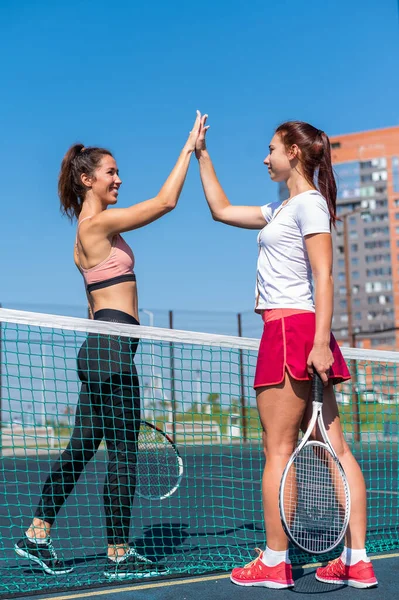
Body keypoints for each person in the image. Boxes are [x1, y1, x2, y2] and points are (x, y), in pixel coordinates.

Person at [14, 112, 202, 581]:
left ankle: (36, 536)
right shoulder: (94, 228)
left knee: (82, 448)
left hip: (104, 349)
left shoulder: (95, 230)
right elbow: (165, 202)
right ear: (87, 179)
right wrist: (189, 150)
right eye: (111, 172)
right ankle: (117, 555)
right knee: (121, 454)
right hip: (111, 351)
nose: (119, 178)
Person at [195, 116, 378, 589]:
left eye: (271, 148)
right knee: (332, 448)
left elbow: (325, 276)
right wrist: (202, 154)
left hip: (291, 330)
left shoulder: (309, 206)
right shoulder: (280, 209)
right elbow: (219, 209)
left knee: (278, 449)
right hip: (297, 330)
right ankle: (356, 561)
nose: (265, 156)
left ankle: (275, 561)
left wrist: (319, 341)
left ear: (292, 153)